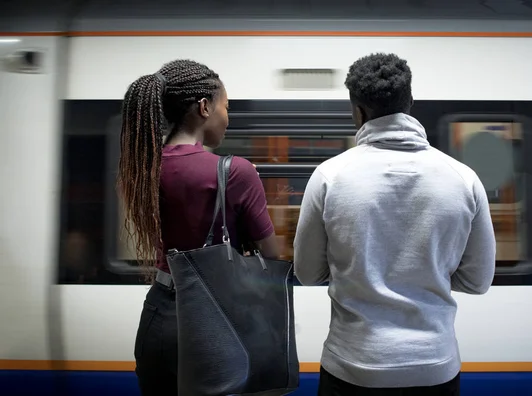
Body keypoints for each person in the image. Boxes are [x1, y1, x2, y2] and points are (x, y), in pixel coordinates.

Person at [293, 53, 496, 395]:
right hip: (435, 368)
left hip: (353, 367)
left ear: (357, 111)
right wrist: (429, 270)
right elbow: (477, 282)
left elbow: (307, 272)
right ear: (409, 104)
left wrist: (356, 269)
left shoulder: (329, 176)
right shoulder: (463, 179)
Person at [117, 59, 280, 395]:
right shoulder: (236, 171)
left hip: (157, 317)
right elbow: (272, 255)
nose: (228, 118)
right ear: (205, 107)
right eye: (226, 107)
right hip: (214, 319)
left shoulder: (143, 168)